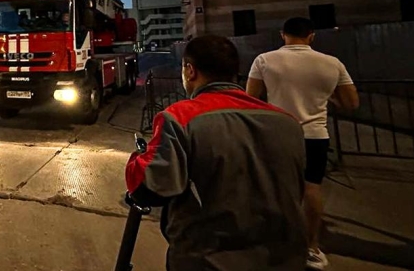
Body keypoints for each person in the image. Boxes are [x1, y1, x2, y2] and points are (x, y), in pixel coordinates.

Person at [125, 35, 307, 270]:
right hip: (285, 258)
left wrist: (137, 158)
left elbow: (147, 187)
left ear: (190, 71)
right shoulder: (288, 123)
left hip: (208, 260)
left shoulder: (180, 118)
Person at [246, 17, 359, 270]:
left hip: (277, 134)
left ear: (282, 34)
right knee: (311, 189)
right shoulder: (332, 63)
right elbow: (351, 103)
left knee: (275, 189)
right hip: (315, 135)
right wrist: (326, 98)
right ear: (312, 36)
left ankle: (275, 242)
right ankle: (312, 248)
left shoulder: (264, 60)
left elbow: (250, 99)